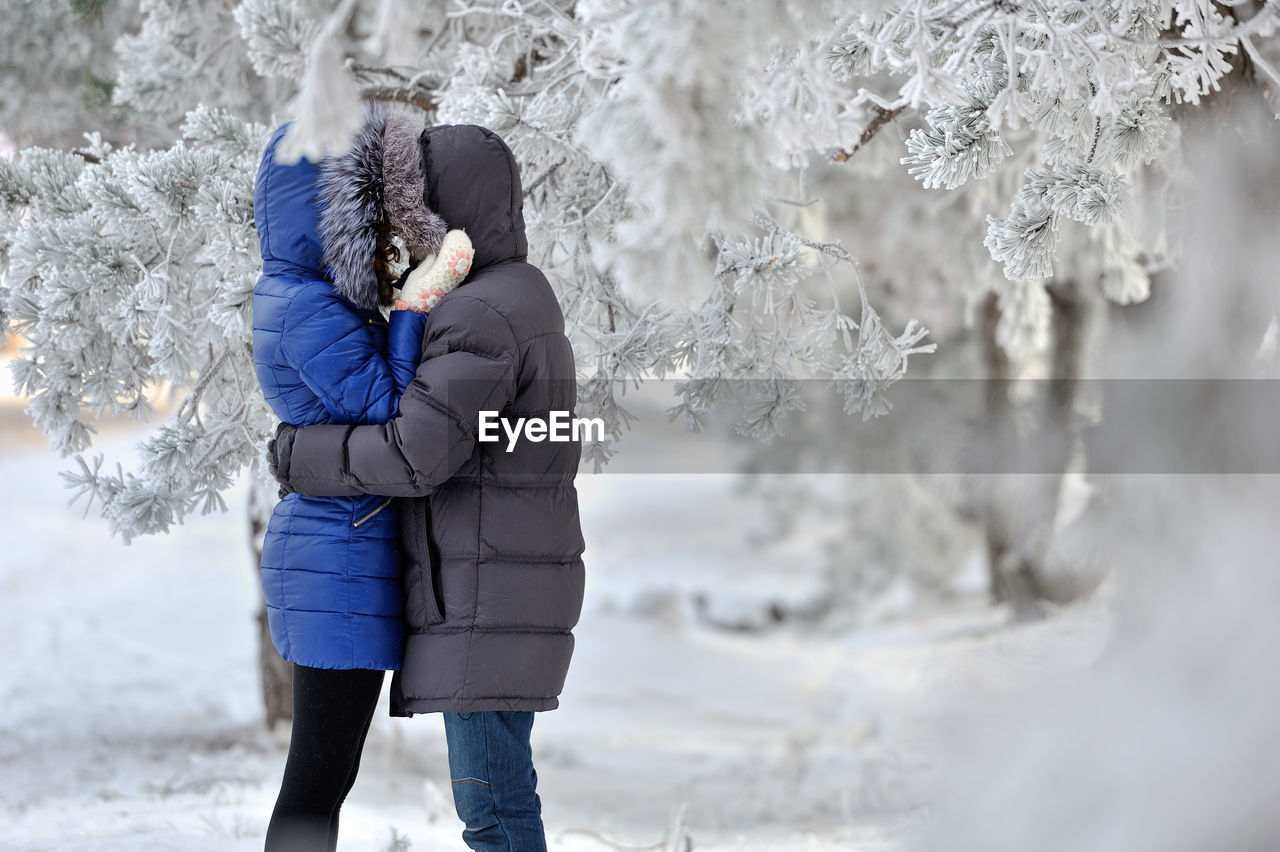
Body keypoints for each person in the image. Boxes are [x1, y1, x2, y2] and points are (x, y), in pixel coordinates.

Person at [267, 123, 586, 852]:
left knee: (494, 813)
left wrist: (301, 455)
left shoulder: (478, 313)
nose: (402, 231)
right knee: (499, 803)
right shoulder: (517, 294)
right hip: (497, 579)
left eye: (413, 208)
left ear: (441, 210)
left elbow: (415, 454)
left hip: (484, 591)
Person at [251, 104, 471, 851]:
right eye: (371, 213)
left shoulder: (308, 298)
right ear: (331, 213)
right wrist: (414, 308)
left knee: (325, 775)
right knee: (318, 779)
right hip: (335, 562)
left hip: (337, 553)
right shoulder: (310, 308)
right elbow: (394, 412)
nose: (385, 235)